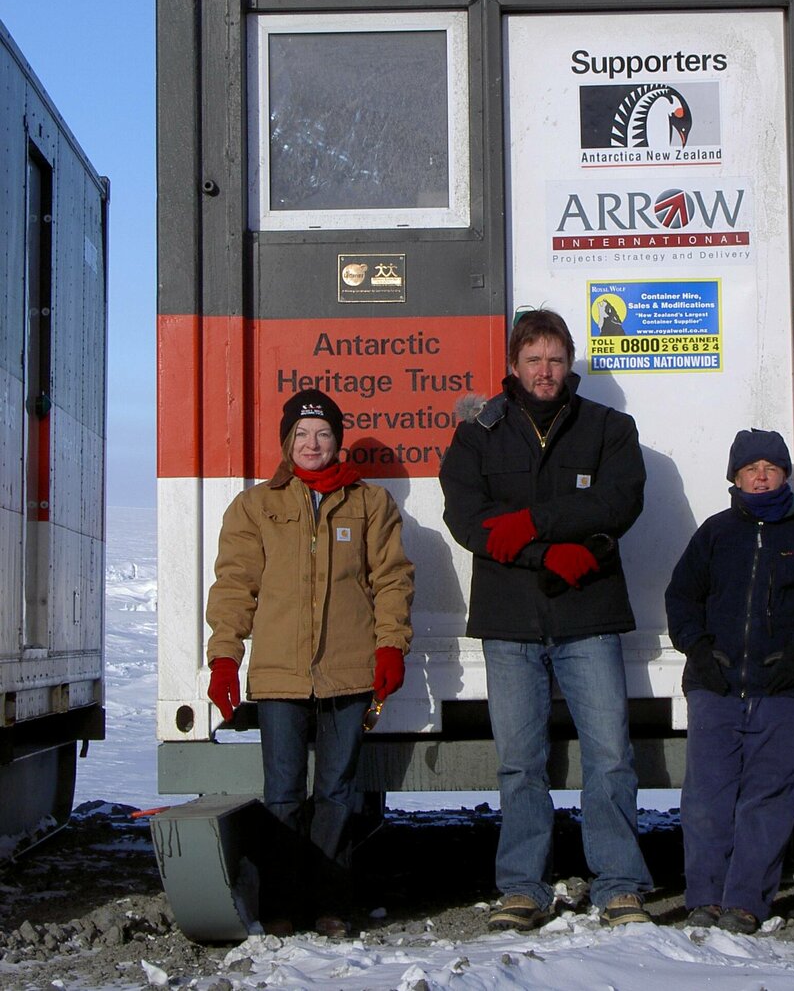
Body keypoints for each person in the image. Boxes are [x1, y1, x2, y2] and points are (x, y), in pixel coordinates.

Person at [439, 308, 652, 930]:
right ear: (513, 365)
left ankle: (618, 884)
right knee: (520, 761)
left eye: (555, 359)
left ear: (569, 363)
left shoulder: (610, 427)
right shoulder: (480, 433)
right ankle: (523, 888)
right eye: (533, 359)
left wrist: (534, 523)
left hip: (588, 613)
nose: (545, 371)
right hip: (510, 621)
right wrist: (545, 551)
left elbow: (619, 500)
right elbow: (466, 517)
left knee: (611, 755)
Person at [205, 388, 414, 937]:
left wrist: (390, 646)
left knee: (339, 792)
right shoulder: (255, 507)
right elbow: (234, 587)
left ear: (337, 442)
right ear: (286, 442)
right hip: (279, 676)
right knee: (282, 793)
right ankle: (281, 905)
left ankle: (330, 904)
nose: (312, 443)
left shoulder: (370, 504)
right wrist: (225, 659)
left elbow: (391, 581)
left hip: (349, 671)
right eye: (301, 434)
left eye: (323, 434)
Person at [665, 428, 794, 934]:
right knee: (707, 798)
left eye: (771, 467)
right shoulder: (715, 533)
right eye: (752, 468)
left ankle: (746, 903)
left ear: (785, 475)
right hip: (716, 688)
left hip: (787, 692)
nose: (762, 474)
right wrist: (698, 651)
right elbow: (681, 597)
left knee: (768, 800)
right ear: (737, 478)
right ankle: (704, 897)